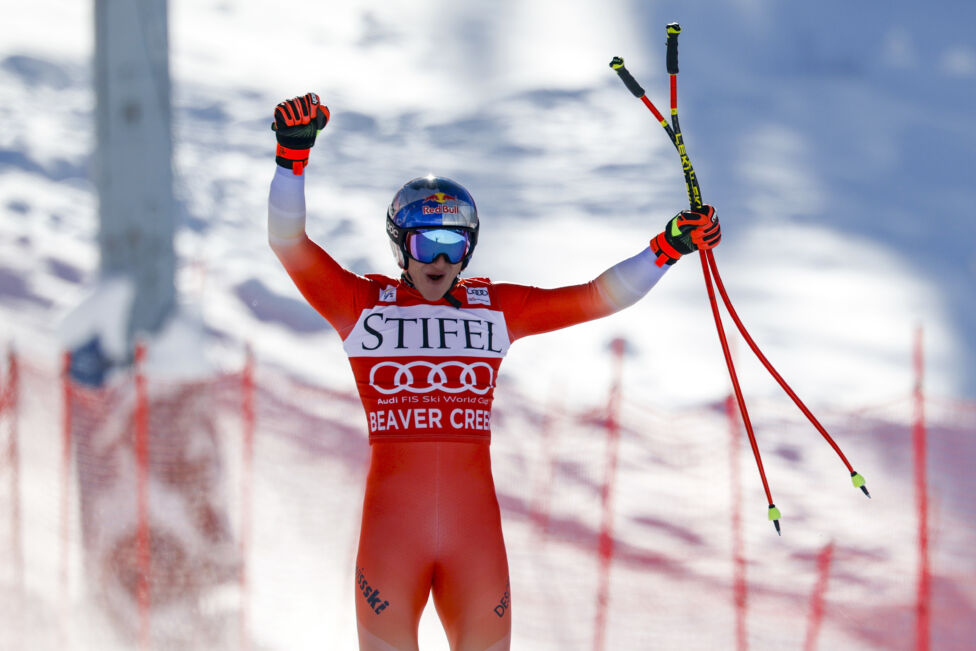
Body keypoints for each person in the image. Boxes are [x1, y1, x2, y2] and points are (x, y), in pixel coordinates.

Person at [267, 93, 720, 651]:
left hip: (473, 541)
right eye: (426, 243)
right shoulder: (362, 304)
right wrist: (292, 158)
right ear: (400, 246)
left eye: (454, 245)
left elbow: (595, 298)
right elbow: (287, 243)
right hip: (393, 539)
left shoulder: (494, 307)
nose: (439, 261)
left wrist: (667, 248)